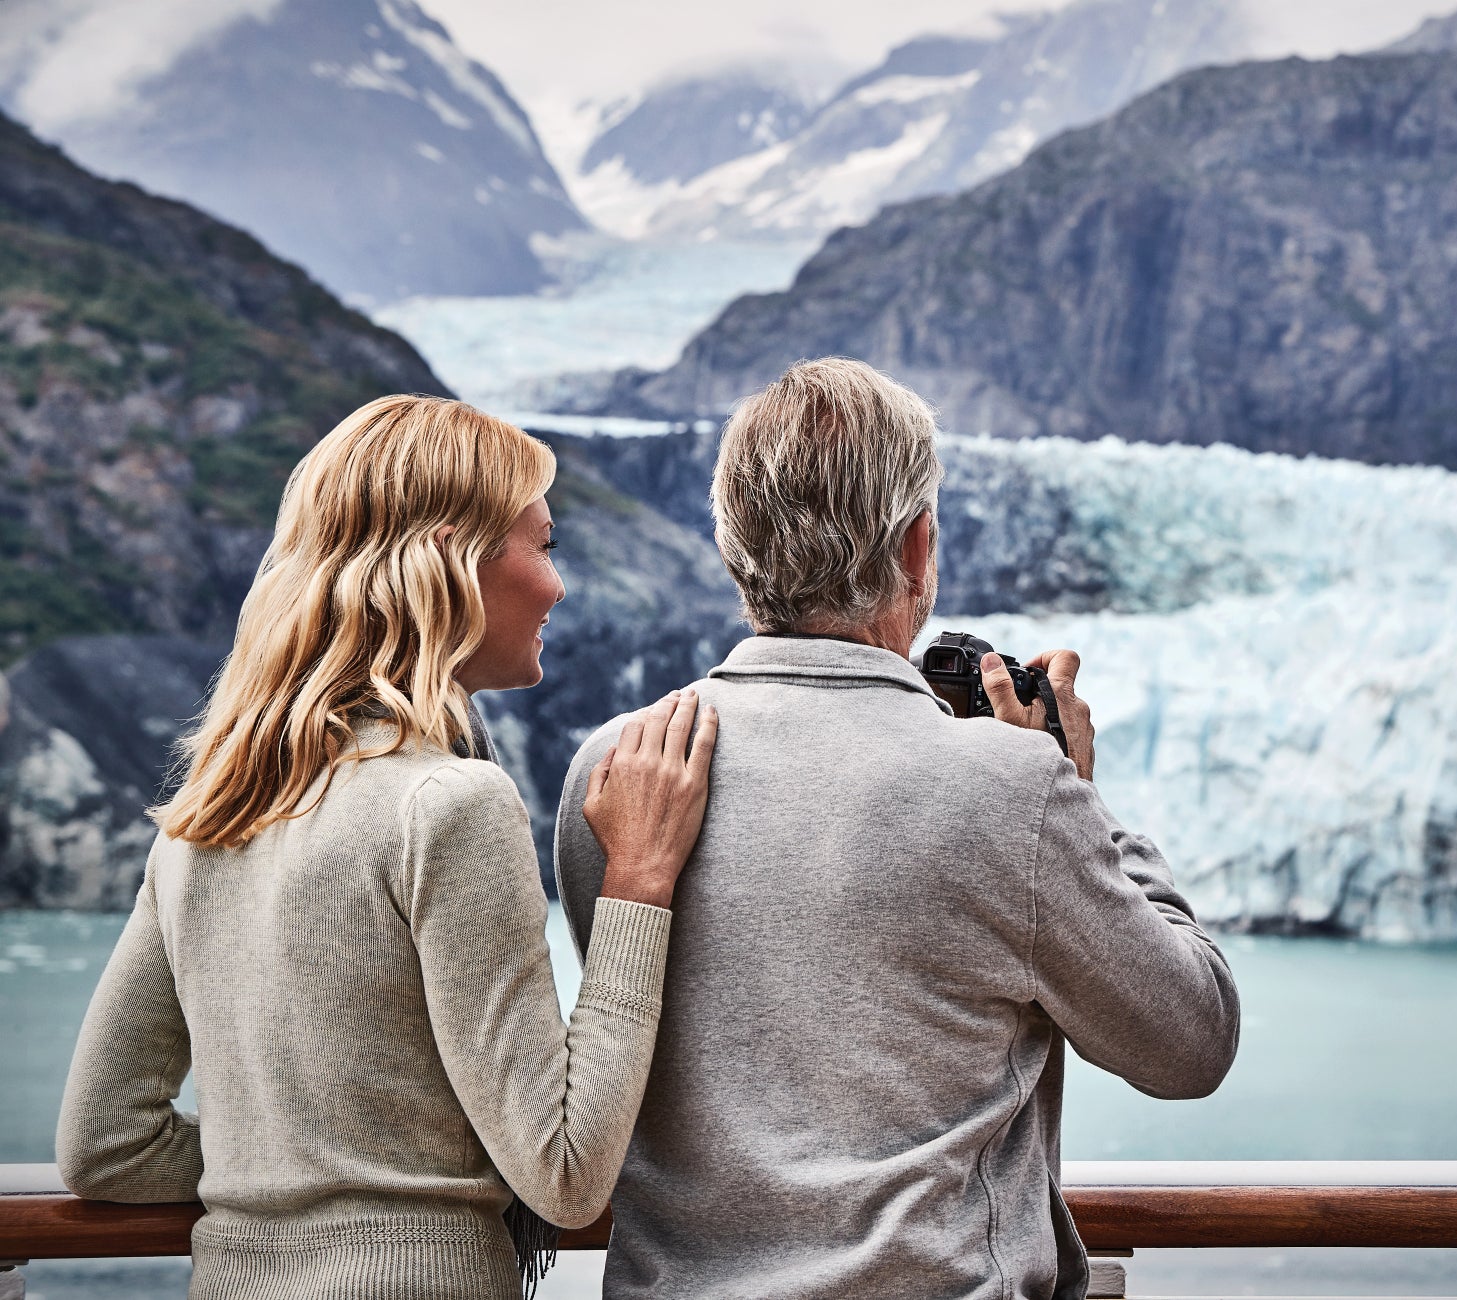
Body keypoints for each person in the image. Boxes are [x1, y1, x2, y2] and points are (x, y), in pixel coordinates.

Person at [556, 357, 1241, 1299]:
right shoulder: (1009, 789)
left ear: (734, 546)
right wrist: (1074, 794)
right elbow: (1190, 1040)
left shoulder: (616, 771)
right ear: (916, 548)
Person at [56, 395, 717, 1299]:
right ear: (450, 558)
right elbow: (566, 1176)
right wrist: (639, 879)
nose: (558, 586)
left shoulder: (205, 822)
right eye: (544, 545)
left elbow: (106, 1145)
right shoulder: (448, 805)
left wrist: (303, 1166)